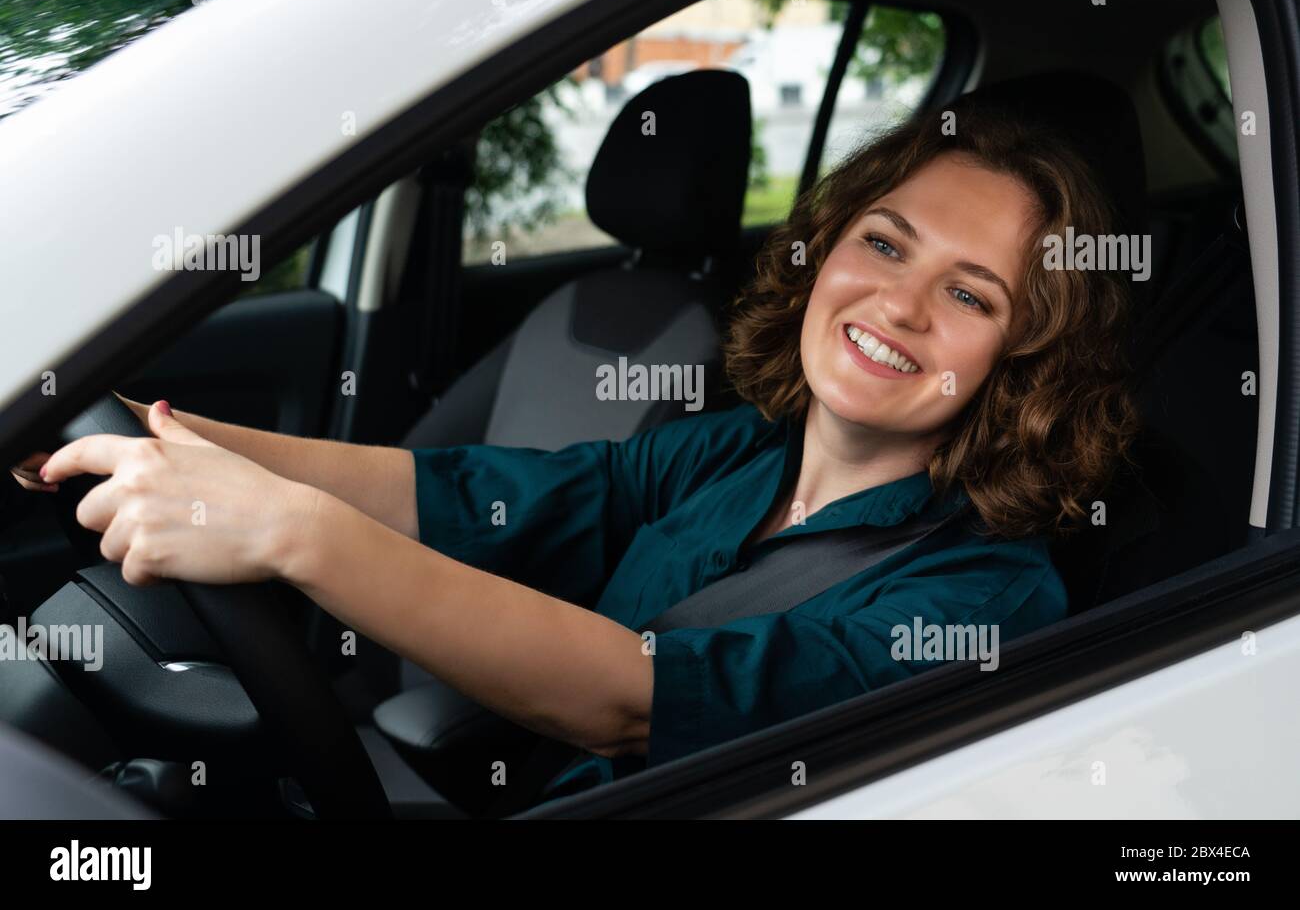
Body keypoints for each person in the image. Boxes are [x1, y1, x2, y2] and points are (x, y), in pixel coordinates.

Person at [14, 95, 1140, 807]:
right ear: (822, 251)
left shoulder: (987, 594)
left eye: (969, 294)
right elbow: (452, 494)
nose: (895, 305)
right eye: (883, 242)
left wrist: (291, 534)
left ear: (1024, 358)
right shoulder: (734, 452)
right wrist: (150, 427)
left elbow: (630, 702)